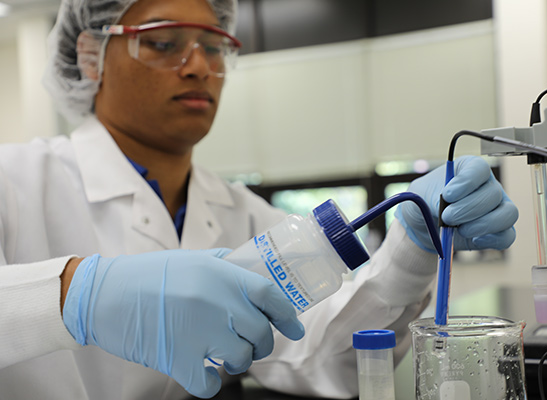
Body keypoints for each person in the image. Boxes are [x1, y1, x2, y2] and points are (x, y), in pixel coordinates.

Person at [0, 0, 519, 398]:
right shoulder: (15, 179)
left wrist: (411, 248)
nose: (199, 66)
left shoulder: (243, 213)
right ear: (90, 57)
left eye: (214, 45)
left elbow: (322, 356)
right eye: (163, 42)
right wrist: (76, 296)